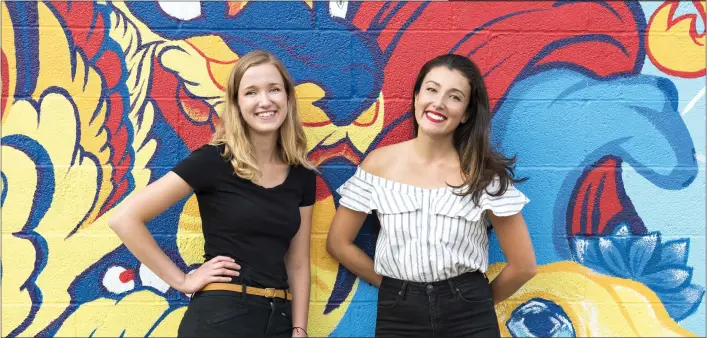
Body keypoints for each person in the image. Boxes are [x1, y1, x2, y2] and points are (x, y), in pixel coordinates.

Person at [109, 50, 316, 338]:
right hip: (221, 317)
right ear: (236, 104)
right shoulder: (214, 161)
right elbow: (124, 219)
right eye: (251, 92)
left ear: (288, 98)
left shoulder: (302, 175)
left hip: (279, 319)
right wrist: (182, 279)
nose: (265, 101)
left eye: (274, 90)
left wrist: (299, 327)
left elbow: (297, 261)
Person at [326, 54, 536, 337]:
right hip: (399, 316)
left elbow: (523, 266)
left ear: (466, 113)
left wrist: (474, 303)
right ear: (416, 97)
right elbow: (338, 243)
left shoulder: (483, 175)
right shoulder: (379, 165)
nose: (438, 103)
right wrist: (395, 287)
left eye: (454, 97)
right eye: (432, 89)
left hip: (470, 318)